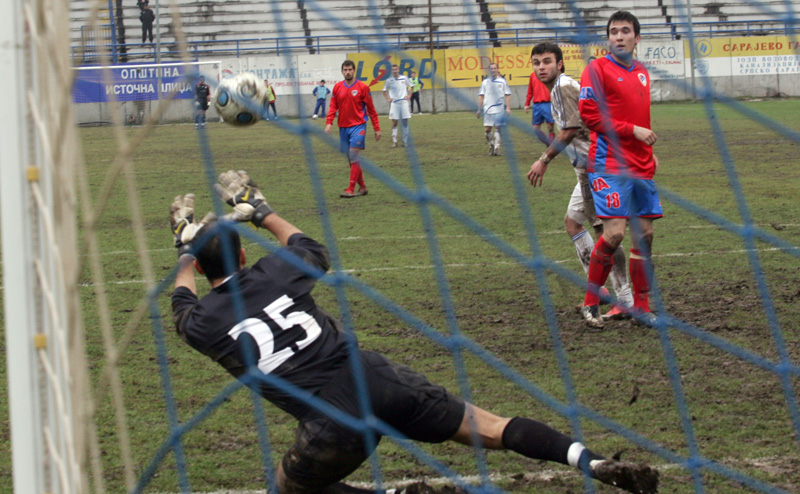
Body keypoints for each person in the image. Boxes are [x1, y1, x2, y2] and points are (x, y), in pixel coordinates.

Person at [168, 170, 660, 494]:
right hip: (379, 380)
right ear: (243, 255)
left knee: (287, 490)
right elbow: (308, 246)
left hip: (330, 424)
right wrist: (260, 208)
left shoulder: (203, 323)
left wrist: (184, 248)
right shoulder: (275, 271)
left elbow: (182, 300)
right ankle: (591, 463)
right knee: (491, 428)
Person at [526, 42, 633, 323]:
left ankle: (622, 299)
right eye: (536, 62)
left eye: (547, 61)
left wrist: (544, 159)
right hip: (590, 167)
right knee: (573, 223)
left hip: (594, 168)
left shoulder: (562, 87)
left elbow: (572, 129)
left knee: (606, 234)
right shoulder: (562, 87)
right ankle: (601, 293)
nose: (541, 67)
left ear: (559, 64)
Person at [578, 11, 662, 328]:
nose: (619, 36)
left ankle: (641, 306)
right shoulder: (597, 69)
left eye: (625, 31)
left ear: (636, 38)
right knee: (613, 234)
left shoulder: (641, 72)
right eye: (614, 31)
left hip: (640, 165)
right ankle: (590, 303)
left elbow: (643, 120)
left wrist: (649, 153)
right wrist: (632, 131)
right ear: (608, 38)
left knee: (646, 234)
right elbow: (589, 115)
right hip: (609, 163)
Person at [325, 60, 381, 199]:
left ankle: (350, 189)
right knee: (351, 159)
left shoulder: (363, 87)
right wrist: (329, 122)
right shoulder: (337, 88)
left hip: (359, 125)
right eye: (345, 69)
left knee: (353, 154)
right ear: (342, 71)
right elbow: (333, 107)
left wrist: (377, 128)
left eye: (350, 69)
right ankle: (362, 187)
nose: (348, 72)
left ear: (354, 71)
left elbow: (371, 110)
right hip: (343, 127)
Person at [476, 63, 511, 157]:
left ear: (497, 69)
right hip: (488, 109)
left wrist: (508, 108)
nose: (493, 70)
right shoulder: (485, 82)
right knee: (487, 130)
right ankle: (492, 145)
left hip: (499, 109)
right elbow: (481, 96)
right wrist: (479, 109)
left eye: (495, 68)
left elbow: (507, 95)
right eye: (491, 68)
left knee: (498, 129)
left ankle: (496, 148)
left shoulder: (503, 82)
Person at [382, 64, 412, 148]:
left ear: (398, 70)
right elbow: (383, 90)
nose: (394, 71)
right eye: (393, 70)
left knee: (405, 122)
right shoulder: (389, 80)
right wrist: (388, 98)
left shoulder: (404, 78)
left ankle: (405, 141)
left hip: (403, 103)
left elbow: (412, 86)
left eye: (396, 69)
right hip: (394, 103)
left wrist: (409, 95)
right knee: (394, 122)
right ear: (392, 71)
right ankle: (394, 141)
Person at [524, 70, 556, 145]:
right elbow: (530, 91)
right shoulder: (532, 75)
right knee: (535, 130)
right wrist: (527, 104)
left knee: (550, 128)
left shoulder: (549, 73)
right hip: (537, 105)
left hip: (548, 103)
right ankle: (549, 144)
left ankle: (551, 148)